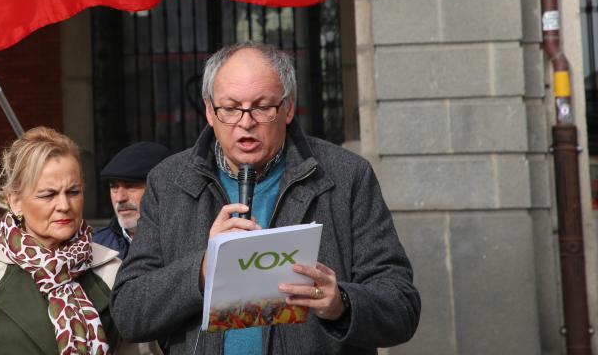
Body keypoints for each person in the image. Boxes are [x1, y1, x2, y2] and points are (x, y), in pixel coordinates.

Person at [111, 42, 420, 354]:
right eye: (230, 108)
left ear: (287, 108)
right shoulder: (169, 183)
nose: (246, 122)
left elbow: (402, 308)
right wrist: (203, 269)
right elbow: (128, 312)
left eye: (262, 107)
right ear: (209, 110)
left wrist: (342, 303)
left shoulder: (346, 177)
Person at [0, 126, 144, 354]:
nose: (64, 206)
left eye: (73, 192)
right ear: (15, 202)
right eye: (48, 195)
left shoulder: (110, 269)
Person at [94, 141, 171, 259]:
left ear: (161, 188)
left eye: (130, 186)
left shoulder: (188, 241)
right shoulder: (95, 247)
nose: (120, 198)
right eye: (114, 187)